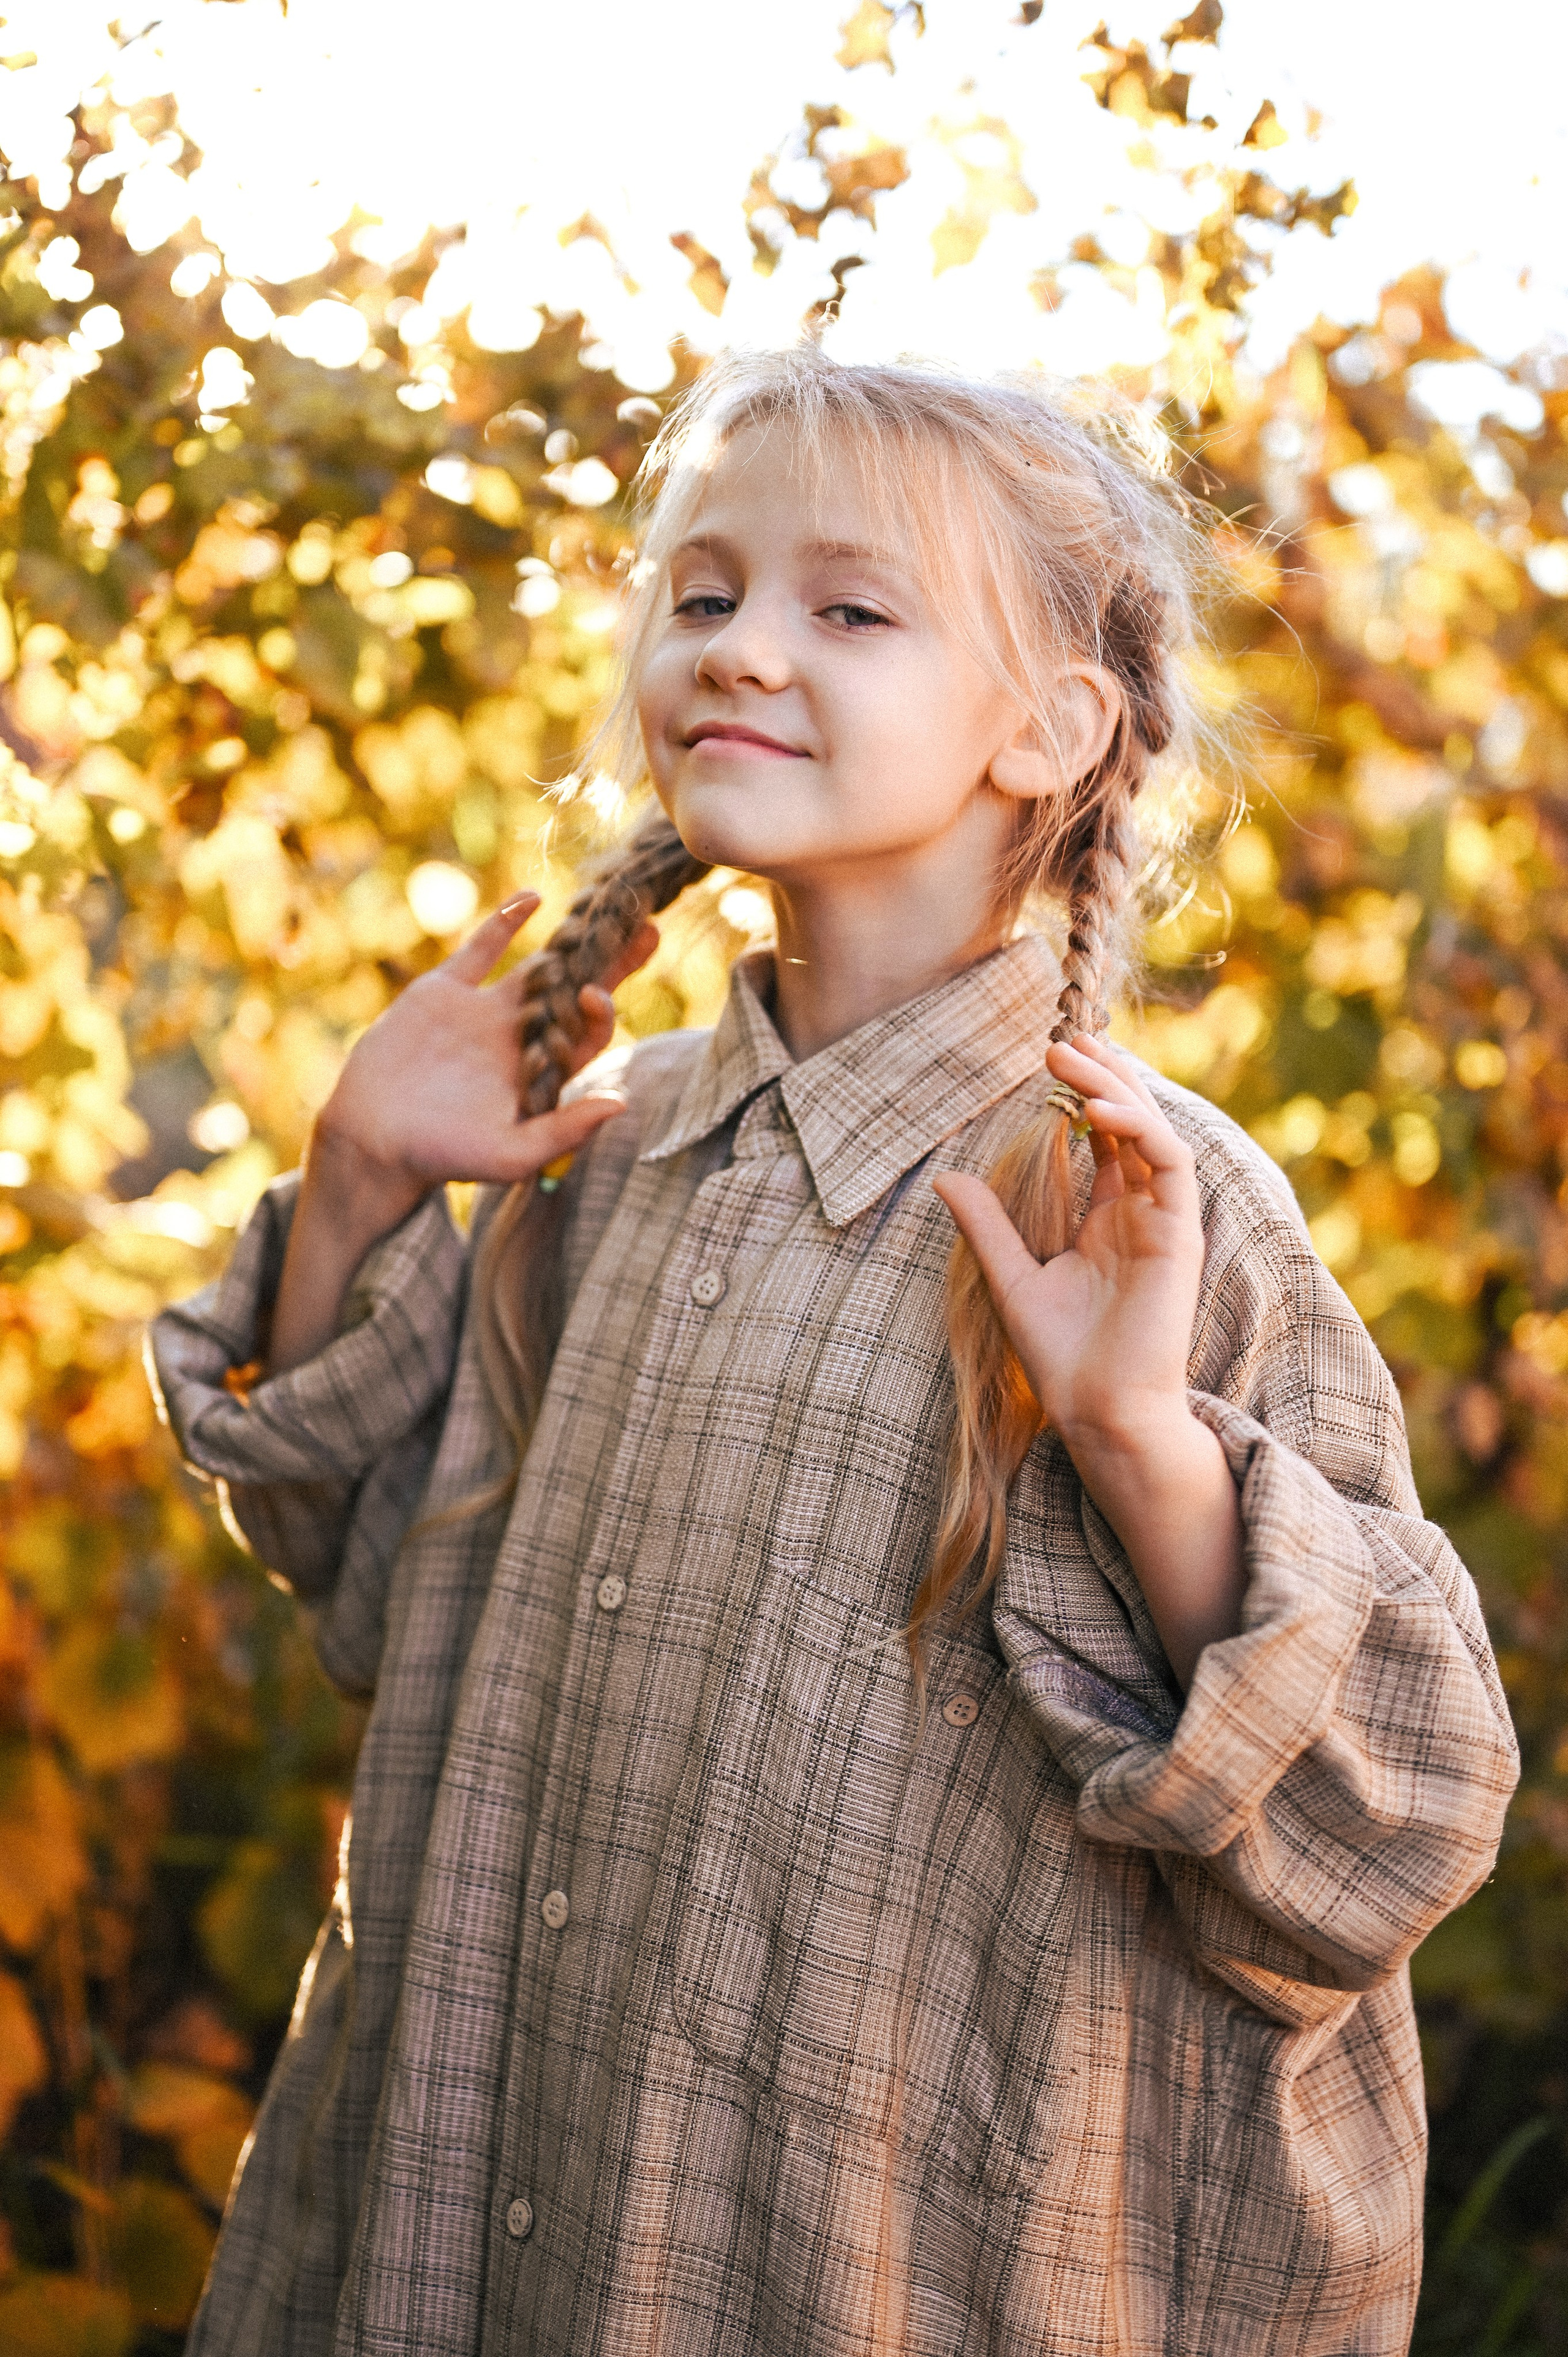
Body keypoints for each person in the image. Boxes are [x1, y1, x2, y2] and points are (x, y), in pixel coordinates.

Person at [148, 349, 1517, 2357]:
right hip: (474, 2238)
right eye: (702, 596)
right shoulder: (597, 1159)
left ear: (1049, 730)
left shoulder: (1138, 1208)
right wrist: (359, 1182)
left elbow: (1393, 1830)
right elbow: (378, 1617)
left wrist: (1137, 1436)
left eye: (847, 610)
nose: (738, 651)